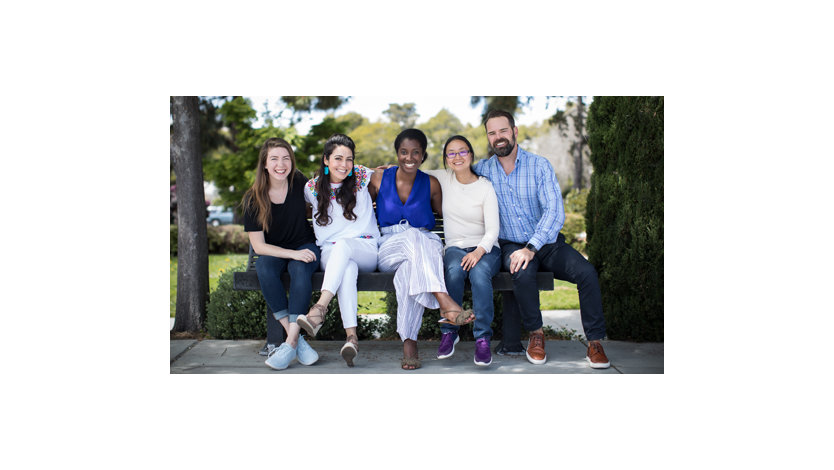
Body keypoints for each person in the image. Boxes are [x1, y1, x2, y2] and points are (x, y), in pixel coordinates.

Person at [473, 109, 610, 368]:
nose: (498, 137)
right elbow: (450, 174)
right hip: (511, 243)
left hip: (546, 242)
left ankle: (595, 342)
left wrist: (532, 246)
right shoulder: (482, 170)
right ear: (488, 138)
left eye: (503, 130)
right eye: (492, 133)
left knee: (587, 273)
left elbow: (554, 211)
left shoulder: (539, 165)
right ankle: (536, 335)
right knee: (522, 273)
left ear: (515, 132)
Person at [368, 128, 473, 370]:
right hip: (389, 247)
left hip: (425, 245)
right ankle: (443, 299)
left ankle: (409, 344)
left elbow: (449, 214)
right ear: (397, 154)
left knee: (408, 269)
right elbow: (355, 196)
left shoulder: (432, 183)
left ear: (423, 155)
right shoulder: (379, 178)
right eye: (404, 152)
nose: (409, 157)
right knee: (411, 236)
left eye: (416, 152)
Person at [296, 134, 379, 367]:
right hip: (332, 256)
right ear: (326, 160)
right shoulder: (312, 188)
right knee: (347, 270)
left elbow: (393, 175)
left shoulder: (361, 176)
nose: (344, 165)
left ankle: (319, 308)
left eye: (349, 159)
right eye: (338, 158)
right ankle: (351, 338)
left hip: (365, 249)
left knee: (345, 247)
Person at [242, 137, 321, 371]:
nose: (281, 164)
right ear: (264, 164)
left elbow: (328, 188)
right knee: (264, 266)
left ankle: (289, 342)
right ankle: (295, 339)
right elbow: (259, 247)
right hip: (274, 251)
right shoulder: (253, 198)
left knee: (299, 268)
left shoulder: (299, 182)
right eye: (274, 159)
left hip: (305, 245)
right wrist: (291, 254)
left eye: (286, 158)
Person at [424, 135, 500, 366]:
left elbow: (493, 229)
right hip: (456, 247)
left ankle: (482, 339)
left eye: (462, 151)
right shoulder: (444, 178)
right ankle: (450, 331)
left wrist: (478, 252)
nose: (457, 157)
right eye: (451, 153)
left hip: (486, 248)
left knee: (479, 274)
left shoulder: (485, 187)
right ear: (446, 159)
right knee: (455, 271)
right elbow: (410, 169)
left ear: (471, 155)